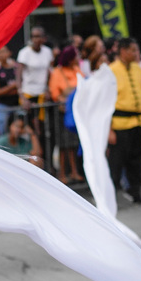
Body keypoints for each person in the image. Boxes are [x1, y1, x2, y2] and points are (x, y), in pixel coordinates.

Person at [109, 37, 141, 206]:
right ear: (123, 51)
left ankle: (136, 193)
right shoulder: (111, 70)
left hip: (139, 121)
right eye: (133, 50)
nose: (136, 54)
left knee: (136, 159)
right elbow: (105, 102)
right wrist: (109, 130)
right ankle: (111, 197)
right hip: (119, 123)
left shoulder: (137, 68)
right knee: (116, 161)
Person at [49, 45, 85, 184]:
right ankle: (63, 174)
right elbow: (55, 94)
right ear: (70, 59)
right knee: (63, 145)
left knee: (73, 144)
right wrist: (68, 103)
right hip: (63, 113)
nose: (78, 58)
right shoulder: (57, 73)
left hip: (75, 112)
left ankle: (74, 172)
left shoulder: (77, 70)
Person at [16, 26, 52, 118]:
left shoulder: (47, 51)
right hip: (28, 92)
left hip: (42, 93)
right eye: (33, 36)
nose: (36, 39)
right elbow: (18, 74)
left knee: (42, 122)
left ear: (44, 38)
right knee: (30, 120)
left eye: (38, 36)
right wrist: (21, 96)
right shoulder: (24, 53)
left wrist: (48, 89)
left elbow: (49, 71)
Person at [0, 46, 19, 136]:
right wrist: (12, 87)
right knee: (2, 132)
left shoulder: (16, 68)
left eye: (4, 52)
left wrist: (6, 90)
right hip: (2, 105)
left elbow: (20, 88)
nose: (2, 55)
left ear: (9, 53)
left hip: (17, 104)